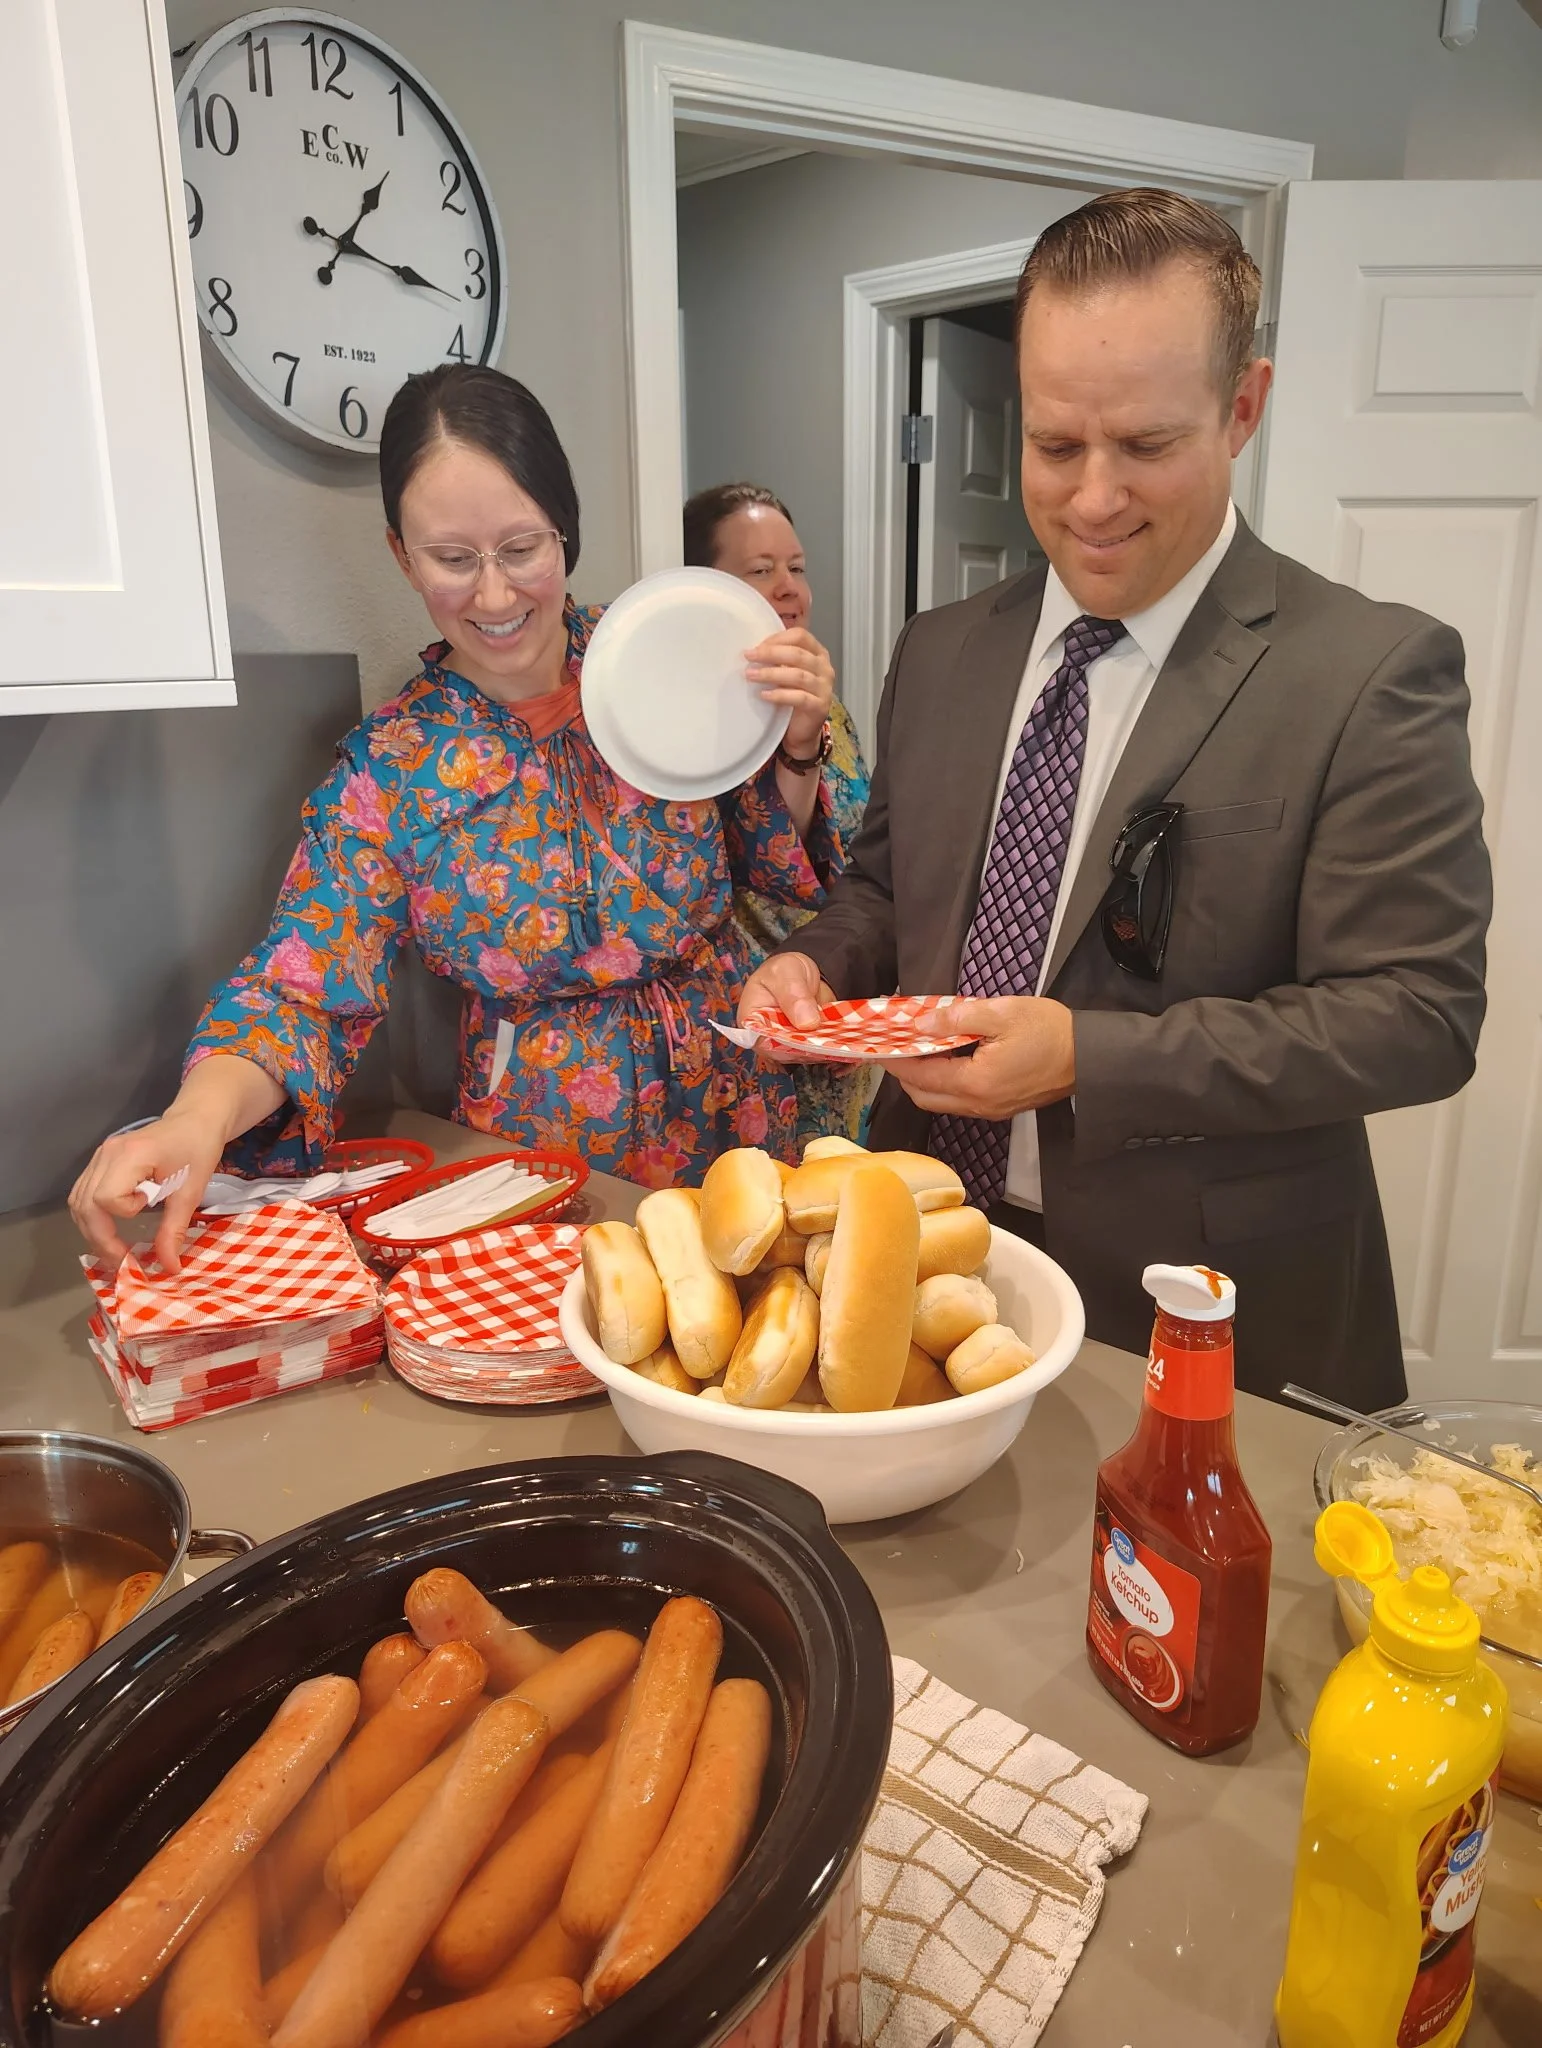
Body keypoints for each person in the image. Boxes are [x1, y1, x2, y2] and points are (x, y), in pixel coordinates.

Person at [739, 188, 1491, 1407]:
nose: (1092, 499)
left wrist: (1089, 1057)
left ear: (1242, 405)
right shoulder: (940, 647)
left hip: (1201, 1287)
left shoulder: (1365, 671)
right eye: (1052, 444)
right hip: (923, 1238)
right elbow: (889, 881)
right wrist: (822, 960)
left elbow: (1416, 1014)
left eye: (1146, 445)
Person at [72, 366, 847, 1269]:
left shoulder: (668, 656)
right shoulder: (389, 769)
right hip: (547, 1150)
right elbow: (301, 988)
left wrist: (796, 739)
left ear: (566, 531)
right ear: (403, 554)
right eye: (452, 559)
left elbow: (769, 857)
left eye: (522, 548)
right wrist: (191, 1120)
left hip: (732, 1105)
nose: (494, 596)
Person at [683, 481, 873, 1145]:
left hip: (835, 991)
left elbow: (856, 854)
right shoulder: (689, 722)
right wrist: (797, 745)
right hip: (753, 1017)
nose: (790, 587)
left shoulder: (827, 705)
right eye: (761, 572)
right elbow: (774, 865)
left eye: (796, 567)